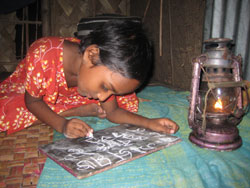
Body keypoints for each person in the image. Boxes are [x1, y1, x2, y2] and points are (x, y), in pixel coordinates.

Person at [0, 20, 179, 138]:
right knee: (10, 112)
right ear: (91, 55)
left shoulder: (98, 71)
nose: (103, 97)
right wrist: (62, 125)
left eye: (110, 91)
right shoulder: (43, 54)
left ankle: (77, 108)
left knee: (123, 104)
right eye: (105, 86)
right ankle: (77, 110)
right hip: (30, 93)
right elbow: (32, 102)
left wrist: (149, 123)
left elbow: (113, 112)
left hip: (71, 95)